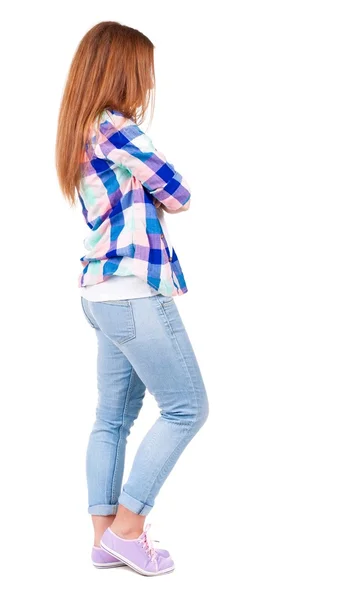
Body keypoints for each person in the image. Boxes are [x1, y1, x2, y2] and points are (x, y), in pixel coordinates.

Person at [55, 20, 209, 577]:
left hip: (99, 291)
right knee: (189, 407)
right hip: (132, 292)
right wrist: (156, 191)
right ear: (123, 69)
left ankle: (105, 541)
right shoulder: (117, 128)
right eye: (144, 70)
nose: (149, 82)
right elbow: (180, 192)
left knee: (112, 417)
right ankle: (128, 528)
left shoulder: (81, 131)